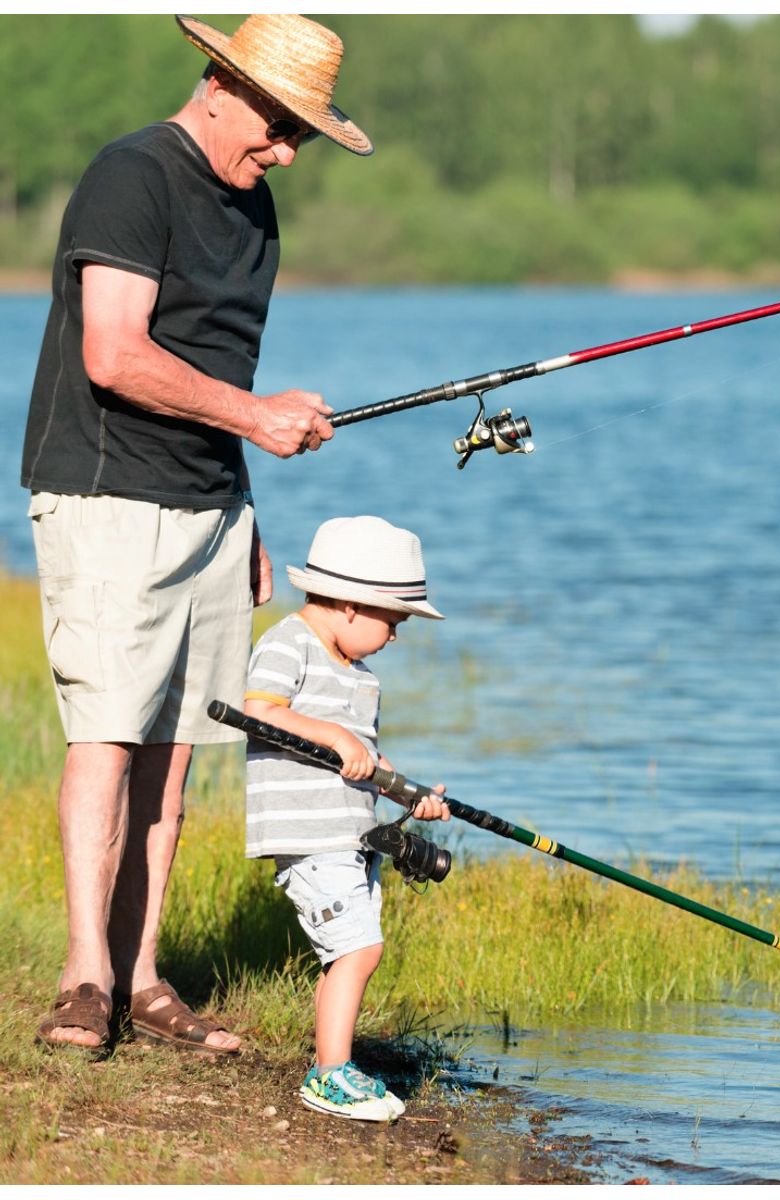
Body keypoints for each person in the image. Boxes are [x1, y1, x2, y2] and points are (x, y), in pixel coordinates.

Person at [22, 14, 373, 1057]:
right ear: (218, 81)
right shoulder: (132, 176)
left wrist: (246, 502)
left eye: (303, 136)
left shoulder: (257, 215)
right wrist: (258, 419)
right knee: (109, 734)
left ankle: (141, 979)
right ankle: (84, 980)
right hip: (105, 496)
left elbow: (216, 375)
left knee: (174, 758)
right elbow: (114, 356)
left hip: (211, 507)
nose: (284, 151)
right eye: (279, 124)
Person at [241, 516, 451, 1121]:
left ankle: (335, 1063)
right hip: (309, 833)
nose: (395, 636)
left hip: (352, 833)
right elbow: (262, 709)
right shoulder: (289, 641)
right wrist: (330, 732)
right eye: (394, 621)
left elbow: (366, 761)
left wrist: (410, 796)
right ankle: (330, 1075)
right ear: (354, 605)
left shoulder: (360, 676)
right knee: (361, 948)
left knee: (349, 950)